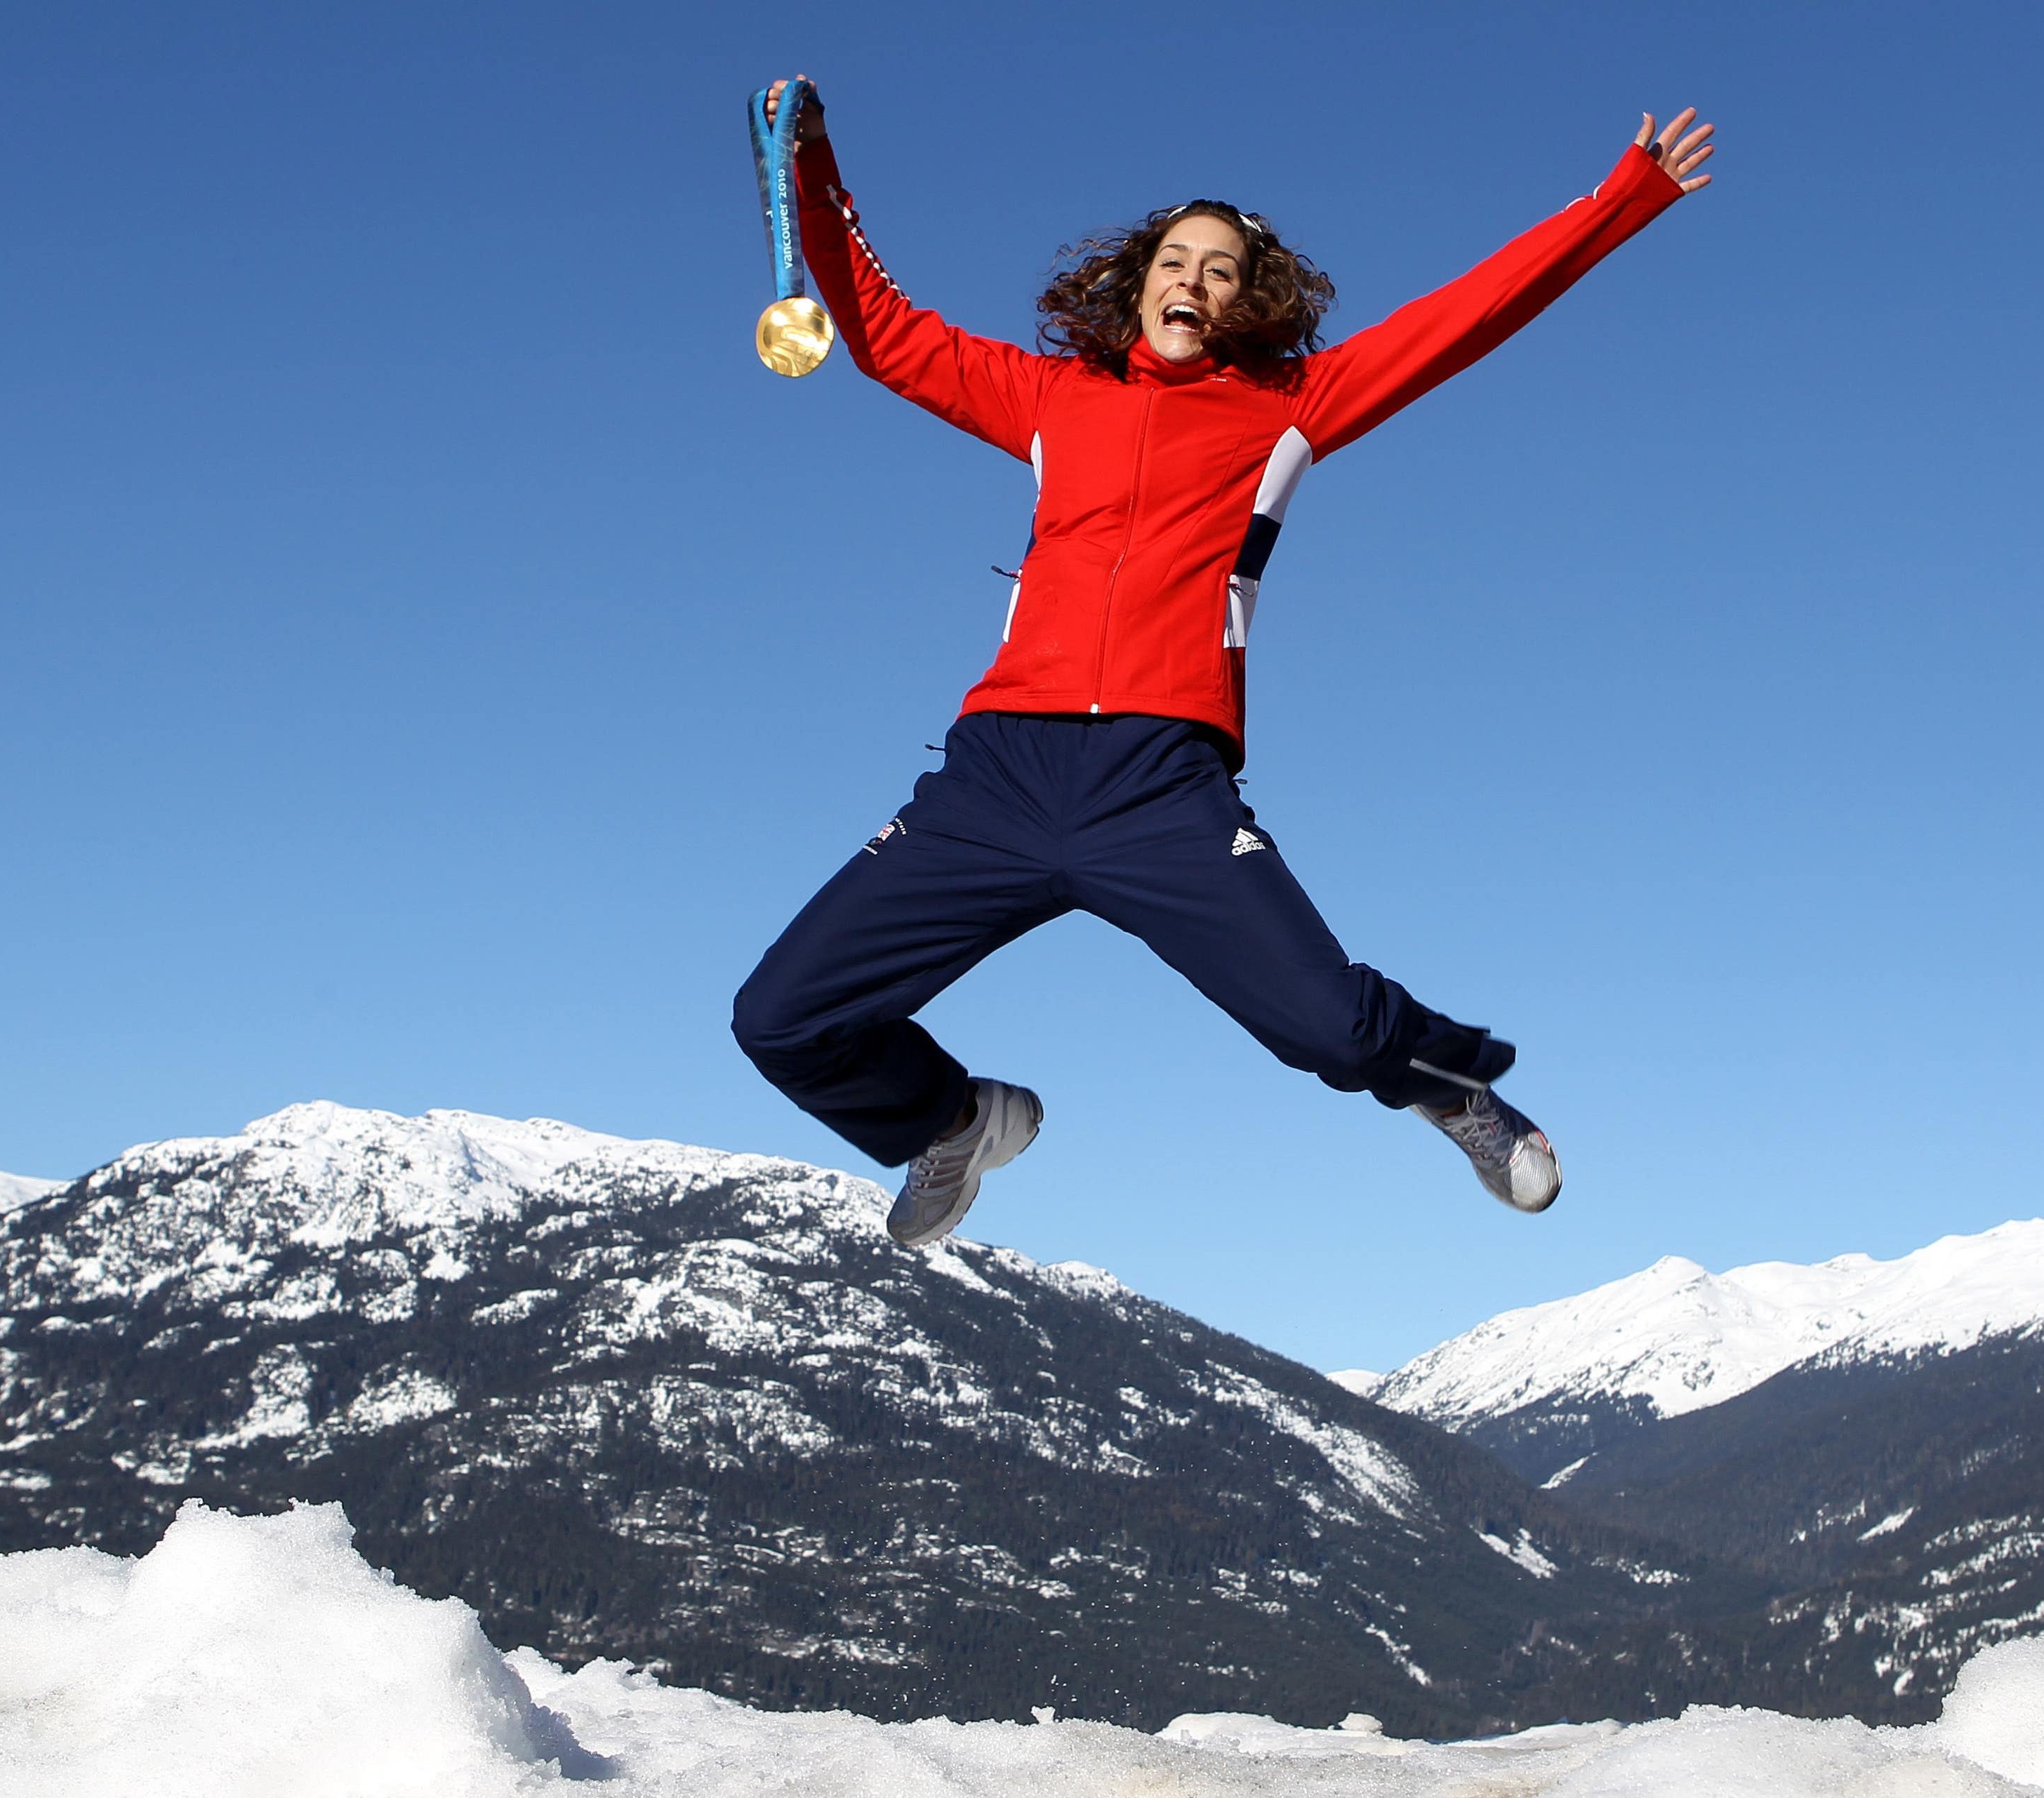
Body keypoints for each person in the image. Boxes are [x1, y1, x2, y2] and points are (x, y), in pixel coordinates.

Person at [734, 79, 1715, 1246]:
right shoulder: (1052, 398)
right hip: (997, 779)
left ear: (1249, 305)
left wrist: (1624, 197)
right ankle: (952, 1122)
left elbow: (1467, 317)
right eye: (1174, 261)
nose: (1191, 281)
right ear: (1136, 281)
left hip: (1160, 787)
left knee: (1337, 1032)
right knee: (781, 1017)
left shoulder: (1292, 406)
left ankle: (1451, 1090)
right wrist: (813, 163)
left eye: (1220, 270)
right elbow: (886, 334)